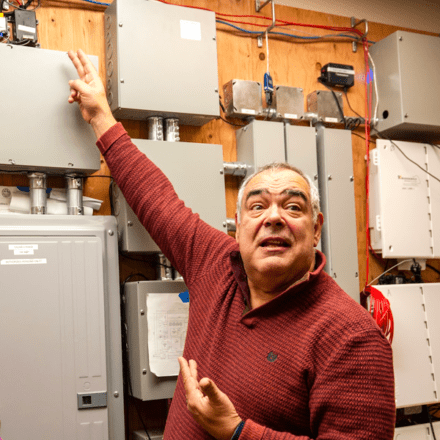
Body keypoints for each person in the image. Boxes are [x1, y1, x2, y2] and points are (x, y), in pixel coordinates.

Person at [68, 49, 395, 440]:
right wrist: (100, 116)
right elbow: (157, 200)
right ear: (238, 227)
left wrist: (238, 432)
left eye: (293, 206)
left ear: (316, 227)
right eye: (257, 206)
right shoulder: (215, 263)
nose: (273, 217)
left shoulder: (351, 337)